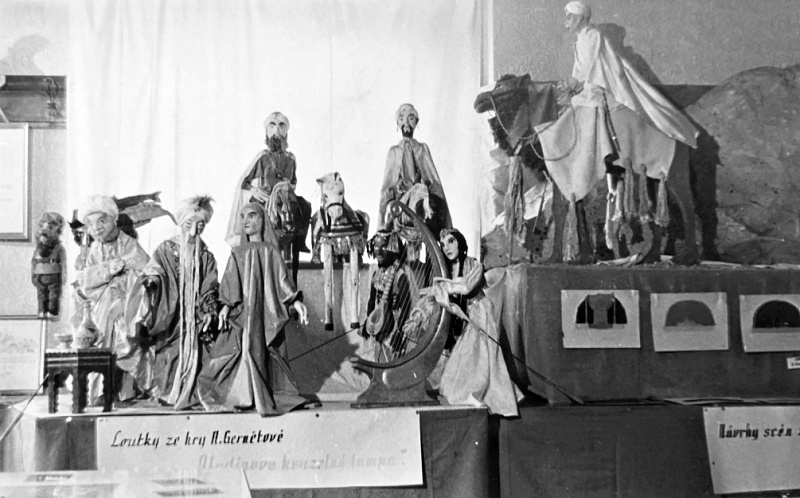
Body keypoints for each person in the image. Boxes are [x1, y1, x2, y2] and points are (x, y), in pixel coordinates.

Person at [536, 1, 699, 224]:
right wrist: (570, 89)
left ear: (581, 17)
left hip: (599, 88)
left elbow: (590, 67)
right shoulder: (581, 39)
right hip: (587, 89)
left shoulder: (592, 35)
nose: (567, 23)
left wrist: (574, 85)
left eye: (570, 17)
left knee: (589, 114)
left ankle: (599, 161)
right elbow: (579, 70)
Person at [200, 202, 308, 416]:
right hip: (244, 313)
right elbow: (231, 282)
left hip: (265, 313)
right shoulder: (237, 253)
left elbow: (282, 281)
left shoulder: (271, 251)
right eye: (242, 217)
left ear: (262, 220)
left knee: (263, 350)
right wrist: (225, 307)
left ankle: (262, 395)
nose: (246, 221)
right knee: (242, 349)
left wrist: (295, 301)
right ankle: (245, 395)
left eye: (251, 216)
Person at [130, 196, 219, 409]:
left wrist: (208, 310)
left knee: (201, 351)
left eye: (200, 226)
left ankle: (194, 393)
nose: (194, 231)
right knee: (169, 352)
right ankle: (169, 392)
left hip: (196, 315)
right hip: (171, 312)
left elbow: (210, 286)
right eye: (189, 225)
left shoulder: (206, 256)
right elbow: (154, 269)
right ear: (181, 223)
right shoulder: (166, 250)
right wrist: (153, 281)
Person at [425, 228, 521, 417]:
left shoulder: (474, 264)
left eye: (451, 241)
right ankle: (464, 393)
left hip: (480, 312)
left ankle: (476, 394)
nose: (447, 247)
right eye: (443, 245)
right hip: (465, 315)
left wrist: (442, 288)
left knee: (477, 356)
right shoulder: (448, 269)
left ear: (460, 242)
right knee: (464, 357)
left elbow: (467, 287)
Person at [76, 195, 150, 401]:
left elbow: (146, 273)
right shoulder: (95, 250)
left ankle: (125, 391)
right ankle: (102, 391)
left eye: (102, 221)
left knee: (126, 343)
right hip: (102, 310)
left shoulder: (130, 245)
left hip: (127, 306)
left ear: (113, 219)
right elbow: (87, 282)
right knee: (101, 342)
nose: (96, 228)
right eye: (91, 224)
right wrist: (107, 269)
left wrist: (125, 283)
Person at [225, 112, 311, 250]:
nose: (277, 131)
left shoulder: (291, 159)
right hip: (265, 198)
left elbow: (294, 181)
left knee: (305, 206)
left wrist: (288, 186)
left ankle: (299, 242)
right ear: (267, 132)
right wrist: (254, 191)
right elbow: (244, 182)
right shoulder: (263, 157)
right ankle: (256, 247)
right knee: (255, 214)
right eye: (272, 126)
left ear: (286, 132)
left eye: (281, 126)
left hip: (285, 198)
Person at [378, 104, 451, 238]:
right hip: (401, 203)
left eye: (411, 118)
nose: (406, 123)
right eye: (402, 119)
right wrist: (381, 220)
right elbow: (387, 187)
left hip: (422, 199)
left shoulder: (422, 149)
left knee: (431, 203)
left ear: (416, 122)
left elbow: (433, 180)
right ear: (397, 123)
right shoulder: (394, 152)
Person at [31, 212, 67, 319]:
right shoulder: (38, 248)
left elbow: (63, 262)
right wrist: (33, 274)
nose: (46, 230)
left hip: (54, 274)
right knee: (41, 295)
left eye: (51, 227)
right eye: (44, 226)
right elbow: (34, 261)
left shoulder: (59, 247)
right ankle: (42, 311)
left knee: (53, 295)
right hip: (40, 274)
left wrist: (64, 275)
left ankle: (52, 312)